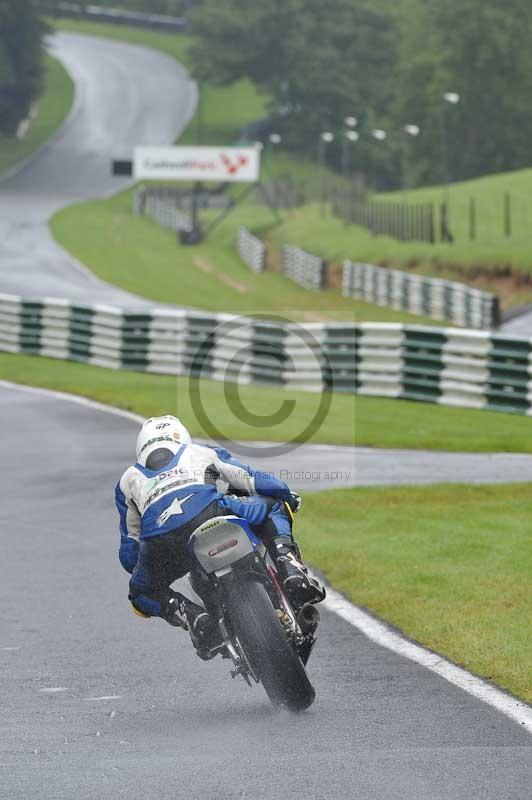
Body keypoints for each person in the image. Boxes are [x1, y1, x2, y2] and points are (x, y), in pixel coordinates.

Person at [115, 415, 325, 658]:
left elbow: (129, 556)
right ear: (182, 437)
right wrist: (287, 496)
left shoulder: (127, 480)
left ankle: (191, 615)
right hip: (212, 511)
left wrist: (151, 563)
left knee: (140, 593)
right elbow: (254, 480)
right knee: (274, 505)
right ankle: (290, 569)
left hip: (164, 541)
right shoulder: (199, 451)